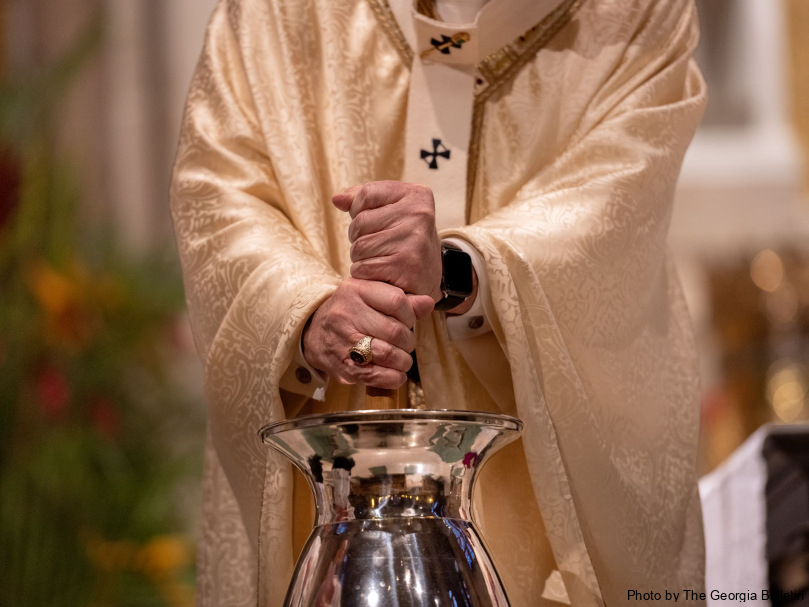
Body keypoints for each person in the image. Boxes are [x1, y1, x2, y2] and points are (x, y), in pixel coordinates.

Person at [170, 0, 708, 604]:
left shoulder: (631, 14)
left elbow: (617, 208)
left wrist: (461, 271)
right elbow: (217, 193)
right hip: (329, 493)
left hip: (522, 509)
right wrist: (307, 313)